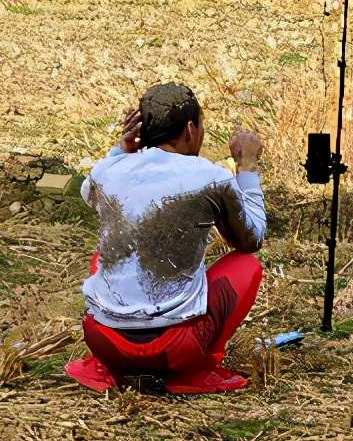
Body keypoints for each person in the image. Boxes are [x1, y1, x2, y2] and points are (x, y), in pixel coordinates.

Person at [64, 83, 265, 395]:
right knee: (246, 265)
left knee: (108, 252)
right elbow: (250, 240)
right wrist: (248, 166)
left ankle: (111, 368)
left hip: (104, 342)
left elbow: (87, 189)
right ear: (189, 129)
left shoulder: (107, 173)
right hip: (175, 349)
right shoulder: (211, 176)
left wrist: (121, 149)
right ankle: (199, 367)